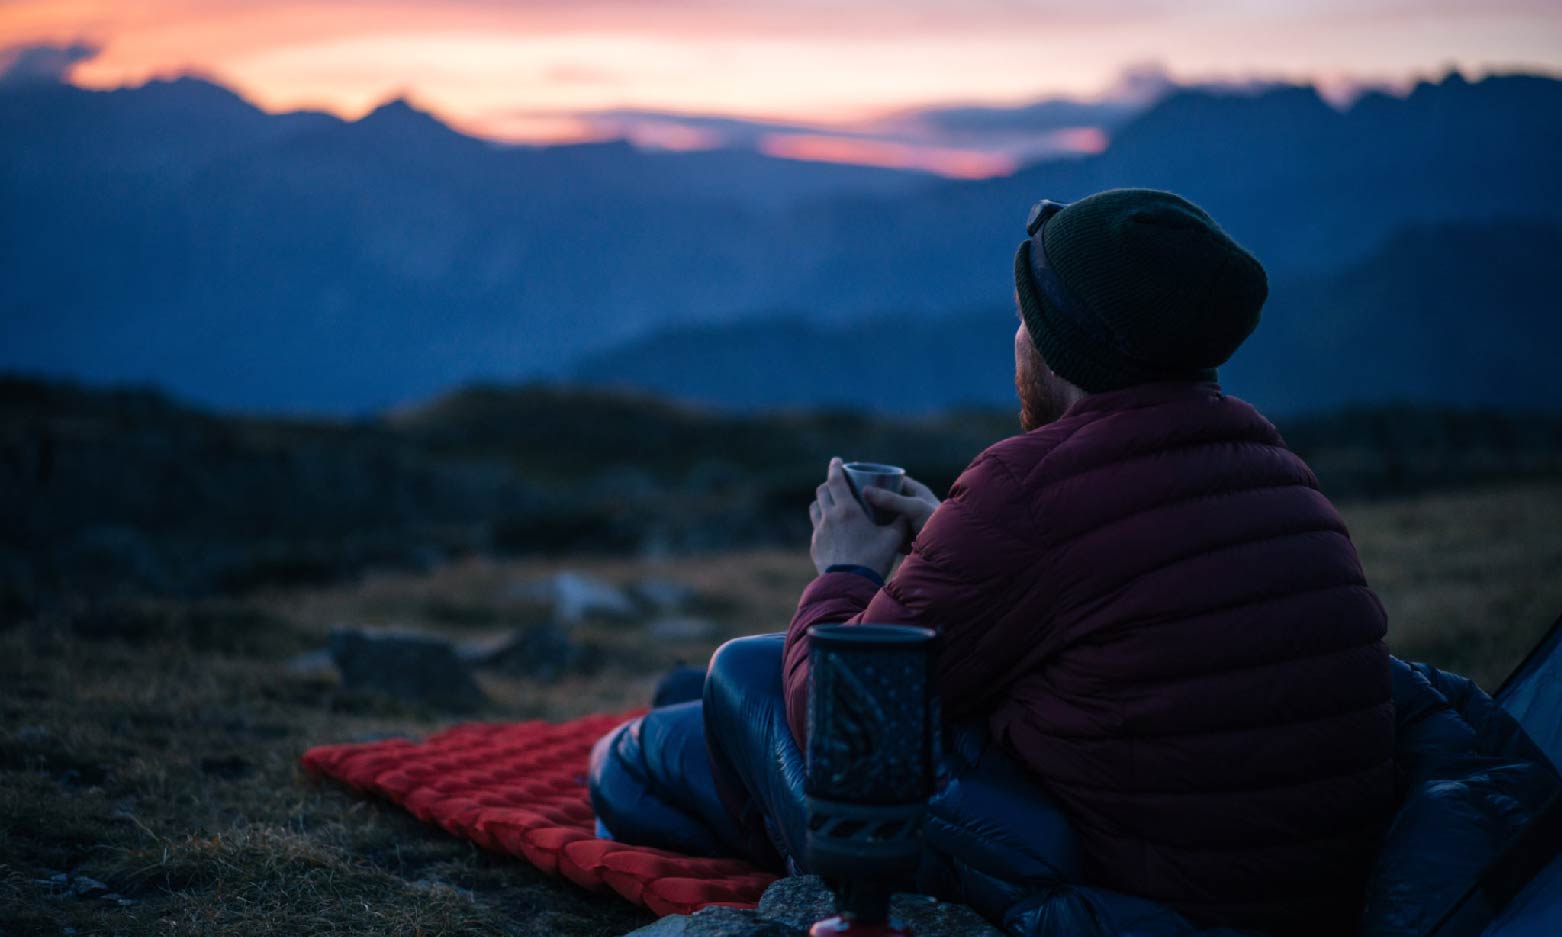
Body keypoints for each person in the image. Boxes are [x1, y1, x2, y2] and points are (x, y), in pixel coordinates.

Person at [588, 189, 1557, 936]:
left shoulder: (1034, 484)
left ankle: (637, 757)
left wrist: (842, 567)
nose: (1014, 341)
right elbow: (1111, 604)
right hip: (1292, 889)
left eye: (1023, 322)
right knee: (725, 706)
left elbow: (840, 719)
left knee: (725, 690)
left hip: (1130, 901)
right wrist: (942, 541)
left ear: (1055, 348)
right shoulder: (1270, 465)